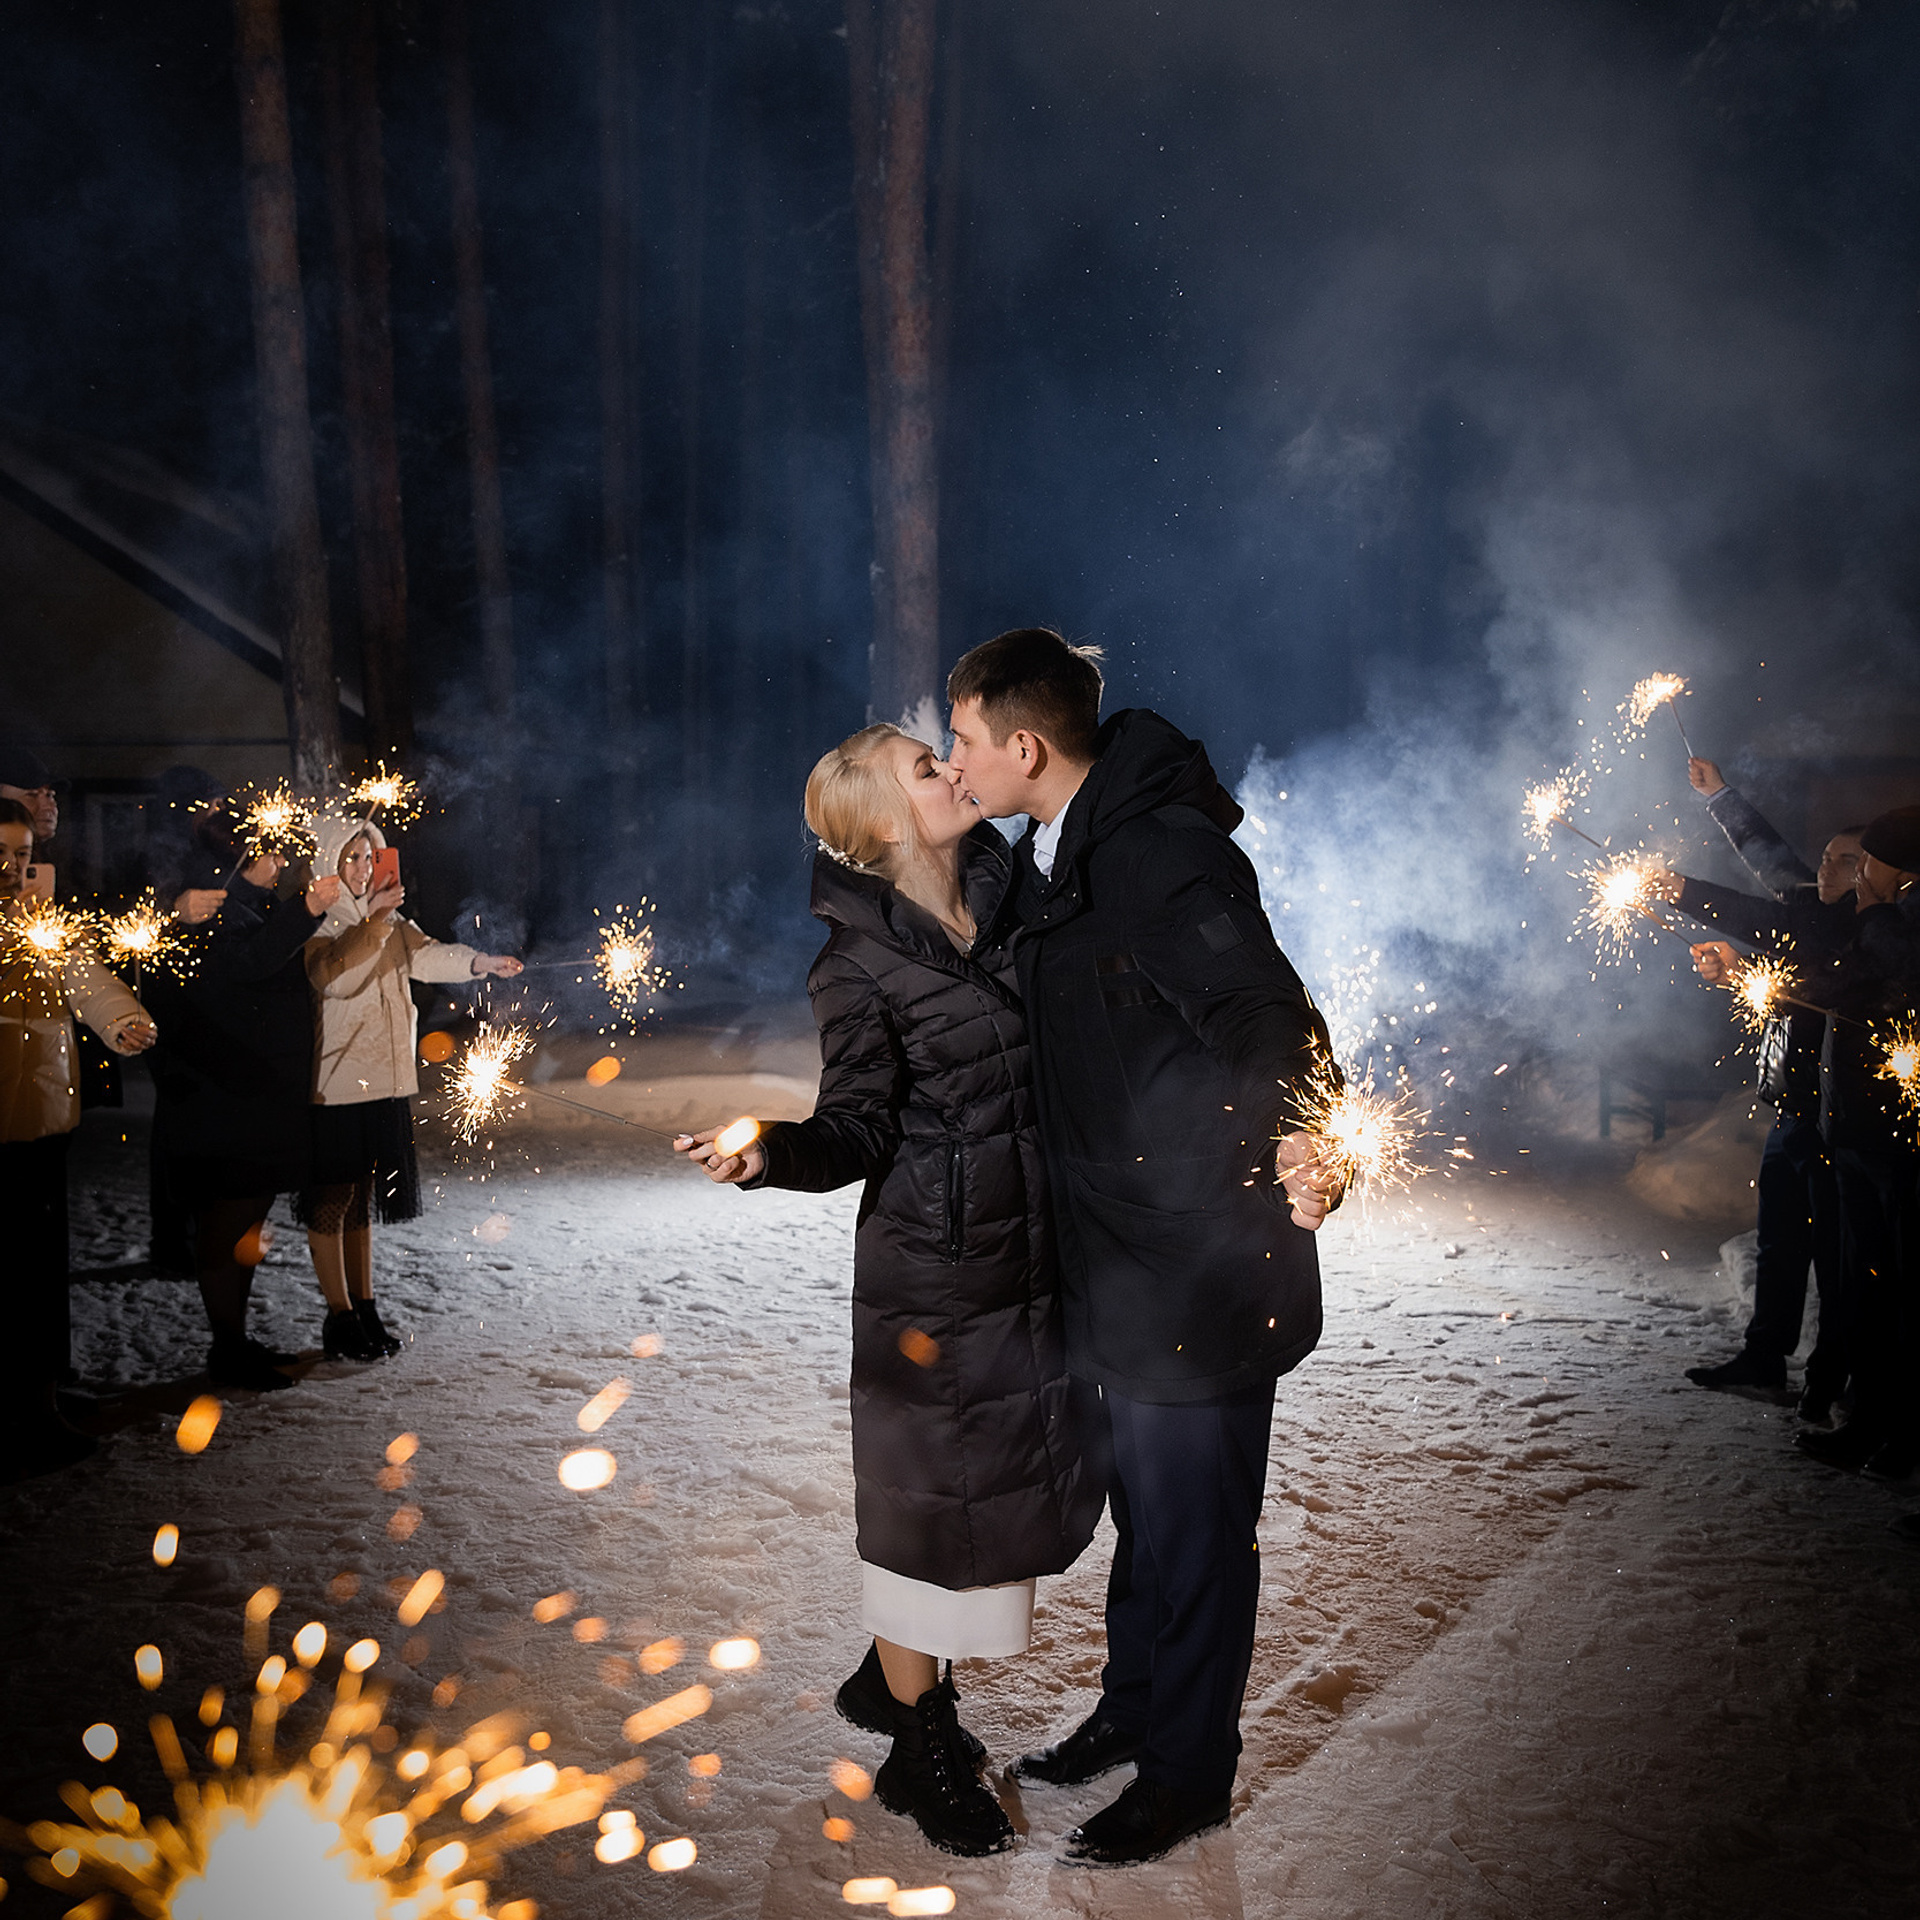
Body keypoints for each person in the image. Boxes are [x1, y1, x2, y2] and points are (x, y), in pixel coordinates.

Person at [945, 628, 1342, 1867]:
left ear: (1025, 746)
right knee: (1140, 1517)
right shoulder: (1053, 851)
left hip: (1199, 1264)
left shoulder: (1160, 850)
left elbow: (1267, 1010)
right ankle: (1132, 1712)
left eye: (962, 739)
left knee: (1195, 1530)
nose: (955, 760)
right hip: (1111, 1260)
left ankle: (1187, 1777)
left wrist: (1305, 1140)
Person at [675, 723, 1103, 1857]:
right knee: (926, 1511)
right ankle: (920, 1747)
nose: (952, 771)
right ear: (878, 821)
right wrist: (772, 1148)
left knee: (1001, 1497)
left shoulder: (1023, 897)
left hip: (1037, 1253)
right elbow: (860, 1123)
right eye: (927, 767)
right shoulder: (854, 961)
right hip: (936, 1269)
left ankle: (888, 1672)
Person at [1647, 775, 1862, 1414]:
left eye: (1844, 860)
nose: (1823, 866)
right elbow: (1771, 861)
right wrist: (1720, 798)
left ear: (1878, 873)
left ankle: (1832, 1384)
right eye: (1825, 854)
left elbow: (1770, 929)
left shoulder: (1862, 935)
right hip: (1791, 1112)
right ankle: (1765, 1357)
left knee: (1840, 1259)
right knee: (1779, 1242)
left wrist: (1688, 896)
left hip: (1836, 1123)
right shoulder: (1816, 909)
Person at [300, 814, 521, 1360]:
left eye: (370, 857)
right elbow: (340, 978)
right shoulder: (319, 923)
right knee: (332, 1202)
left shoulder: (391, 921)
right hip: (335, 1087)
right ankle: (339, 1314)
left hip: (384, 1083)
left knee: (362, 1200)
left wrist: (479, 962)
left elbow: (426, 955)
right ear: (330, 863)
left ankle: (365, 1306)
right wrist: (374, 922)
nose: (362, 868)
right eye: (351, 858)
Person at [145, 846, 340, 1390]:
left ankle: (236, 1337)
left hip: (255, 1088)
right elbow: (248, 962)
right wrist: (305, 909)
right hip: (220, 1091)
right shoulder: (204, 911)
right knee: (226, 1218)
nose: (279, 863)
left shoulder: (248, 903)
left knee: (249, 1217)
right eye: (269, 854)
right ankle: (226, 1344)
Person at [1, 797, 157, 1477]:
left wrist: (120, 1018)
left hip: (42, 1117)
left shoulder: (43, 918)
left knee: (39, 1267)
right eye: (2, 856)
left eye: (23, 857)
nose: (13, 869)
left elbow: (83, 975)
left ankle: (41, 1394)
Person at [1794, 806, 1920, 1478]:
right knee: (1865, 1294)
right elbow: (1842, 988)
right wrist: (1744, 977)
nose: (1855, 872)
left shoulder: (1898, 924)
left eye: (1865, 860)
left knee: (1902, 1300)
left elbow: (1899, 978)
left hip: (1898, 1142)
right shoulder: (1878, 922)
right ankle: (1868, 1423)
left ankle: (1902, 1440)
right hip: (1857, 1134)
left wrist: (1876, 915)